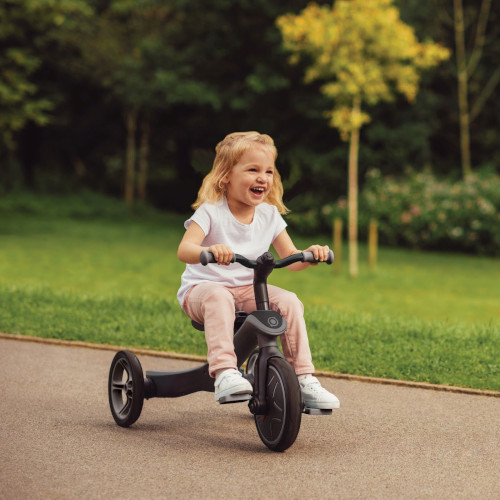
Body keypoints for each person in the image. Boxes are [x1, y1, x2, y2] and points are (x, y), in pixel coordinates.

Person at [177, 131, 339, 410]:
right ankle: (225, 371)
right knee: (219, 297)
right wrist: (212, 250)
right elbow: (184, 250)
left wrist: (310, 255)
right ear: (226, 175)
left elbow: (290, 257)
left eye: (268, 171)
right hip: (202, 291)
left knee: (288, 301)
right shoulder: (211, 211)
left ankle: (303, 377)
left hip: (246, 291)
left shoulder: (269, 215)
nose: (262, 177)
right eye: (252, 170)